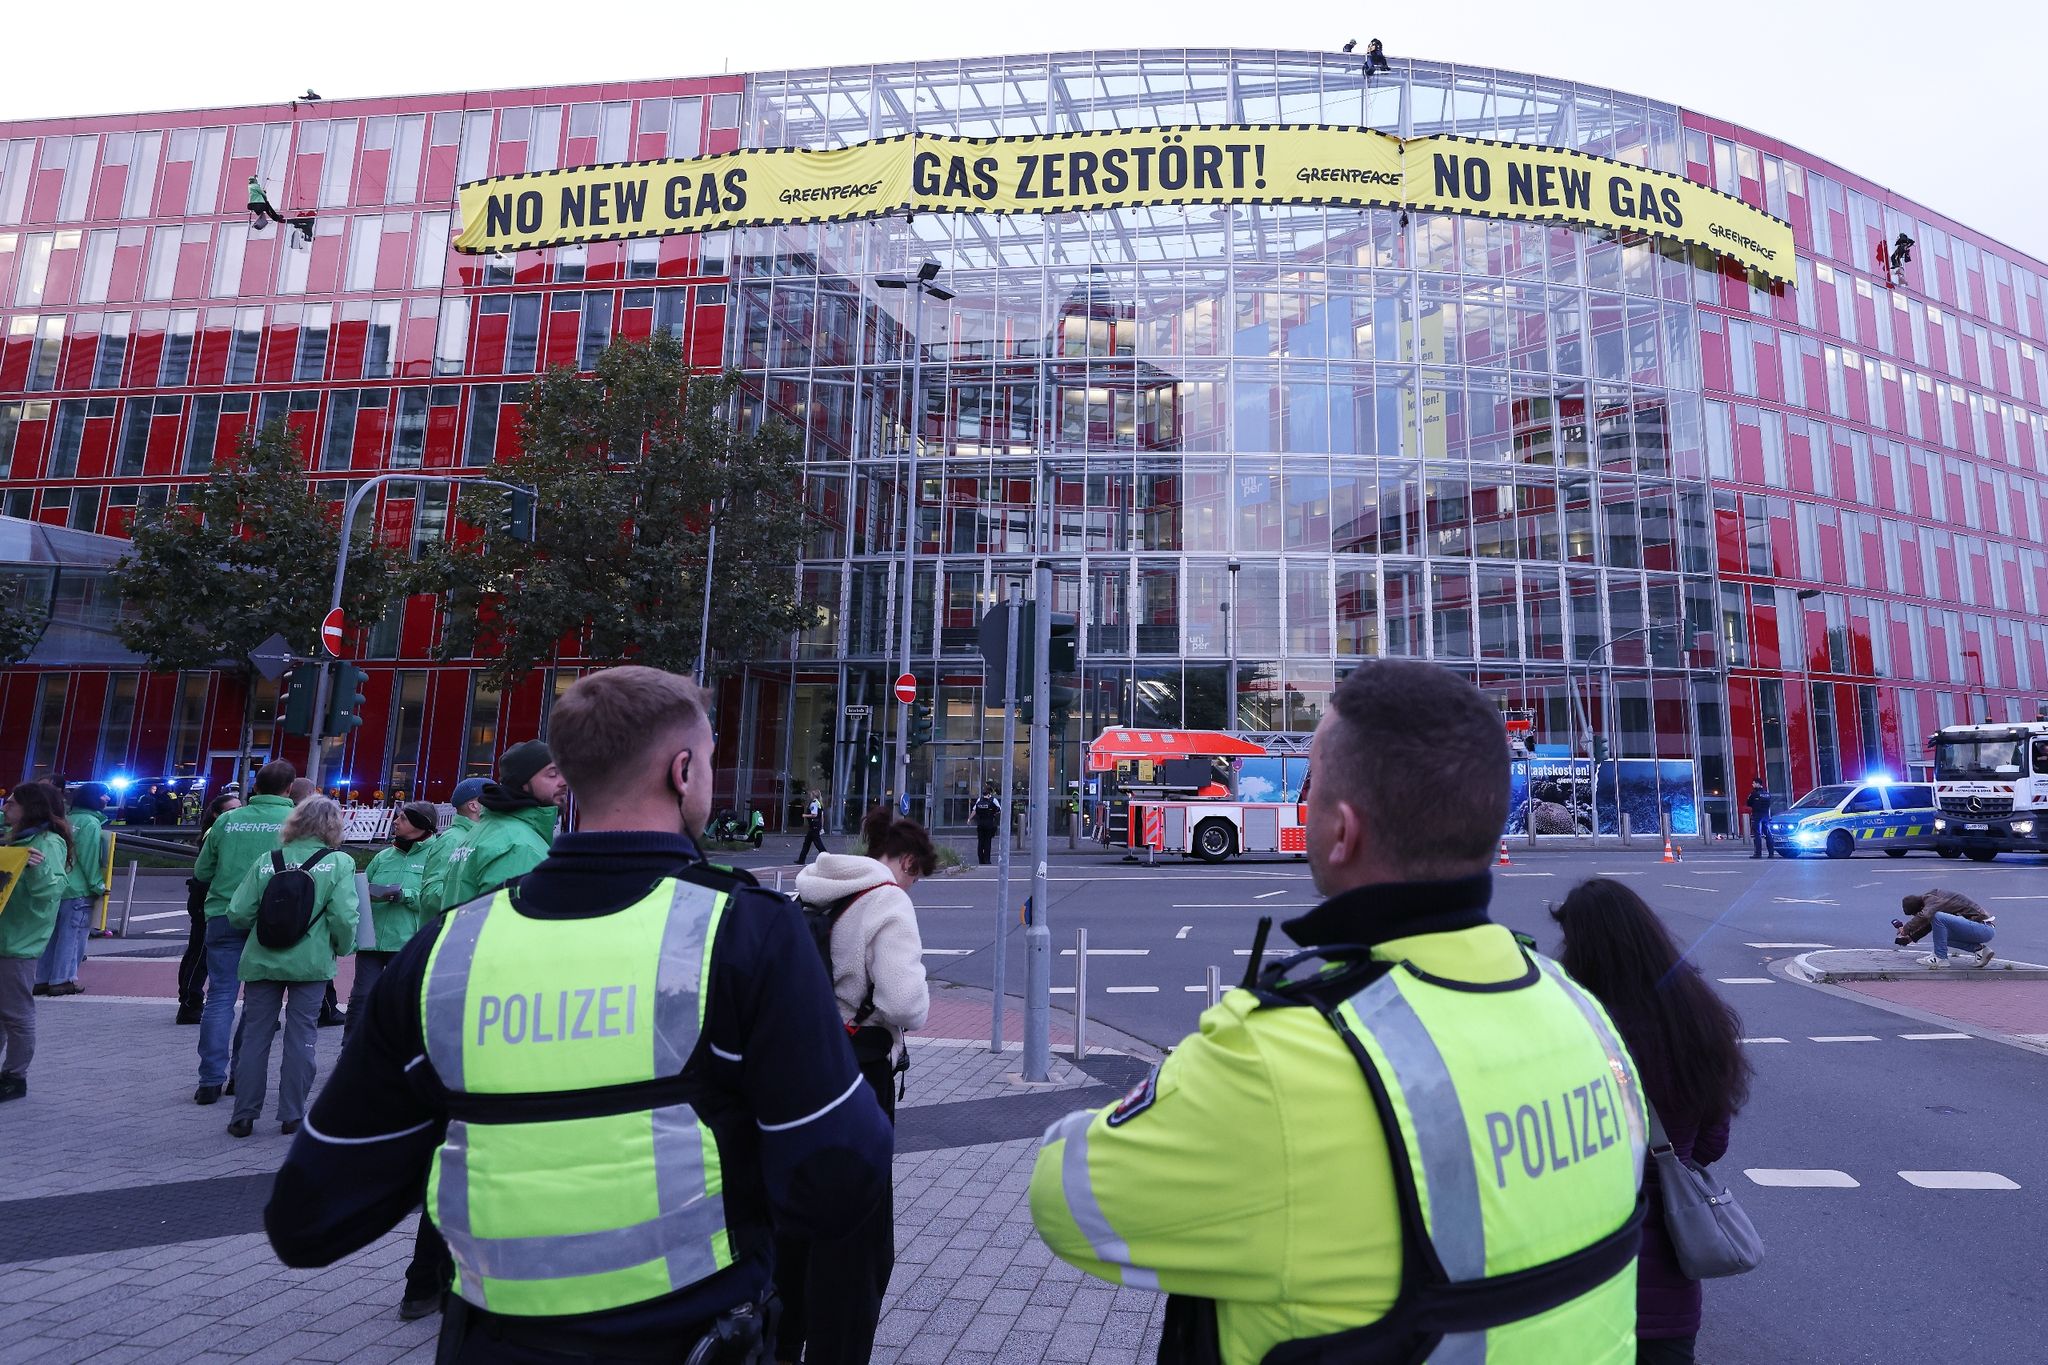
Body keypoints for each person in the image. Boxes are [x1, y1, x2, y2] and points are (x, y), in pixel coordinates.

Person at [264, 664, 893, 1360]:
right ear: (683, 771)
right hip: (690, 1337)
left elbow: (309, 1217)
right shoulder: (745, 932)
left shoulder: (447, 951)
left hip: (493, 1345)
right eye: (710, 760)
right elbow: (840, 1177)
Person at [1029, 659, 1647, 1363]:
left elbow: (1063, 1196)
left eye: (1314, 784)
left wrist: (1198, 1075)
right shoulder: (1584, 1015)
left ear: (1342, 831)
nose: (1304, 799)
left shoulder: (1278, 1056)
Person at [1553, 879, 1752, 1365]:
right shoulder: (1694, 1019)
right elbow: (1711, 1145)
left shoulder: (1569, 1023)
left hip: (1581, 1268)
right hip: (1667, 1273)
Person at [777, 805, 933, 1364]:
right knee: (857, 1227)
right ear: (906, 862)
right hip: (859, 1069)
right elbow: (905, 1004)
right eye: (916, 876)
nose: (911, 886)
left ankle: (781, 1337)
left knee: (797, 1209)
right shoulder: (887, 899)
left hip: (800, 1064)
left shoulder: (813, 891)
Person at [223, 796, 359, 1139]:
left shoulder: (268, 860)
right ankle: (292, 1115)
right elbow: (344, 917)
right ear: (333, 826)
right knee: (302, 1036)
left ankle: (243, 1115)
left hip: (262, 958)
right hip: (310, 962)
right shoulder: (338, 862)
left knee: (255, 1036)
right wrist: (343, 947)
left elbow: (238, 912)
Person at [191, 761, 298, 1105]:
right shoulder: (296, 821)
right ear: (288, 789)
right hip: (272, 918)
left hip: (224, 914)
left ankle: (209, 1079)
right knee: (258, 1001)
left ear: (255, 787)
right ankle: (242, 1074)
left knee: (220, 996)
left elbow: (202, 870)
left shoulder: (227, 820)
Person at [1, 783, 73, 1101]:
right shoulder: (14, 838)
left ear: (30, 807)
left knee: (16, 1013)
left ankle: (15, 1076)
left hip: (19, 941)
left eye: (12, 803)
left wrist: (37, 868)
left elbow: (52, 891)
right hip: (8, 935)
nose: (5, 807)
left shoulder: (47, 843)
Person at [345, 802, 437, 1046]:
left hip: (408, 943)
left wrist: (405, 895)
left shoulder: (436, 856)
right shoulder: (383, 856)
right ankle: (351, 1049)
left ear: (421, 824)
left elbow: (435, 897)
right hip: (372, 941)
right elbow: (360, 892)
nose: (395, 821)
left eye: (403, 818)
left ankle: (397, 1052)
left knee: (402, 1001)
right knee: (361, 997)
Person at [435, 739, 564, 910]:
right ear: (522, 782)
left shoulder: (481, 832)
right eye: (553, 774)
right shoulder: (519, 846)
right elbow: (513, 920)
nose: (564, 782)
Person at [35, 783, 108, 997]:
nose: (107, 799)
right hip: (79, 889)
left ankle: (42, 978)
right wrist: (97, 885)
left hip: (59, 885)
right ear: (94, 798)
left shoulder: (65, 819)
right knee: (73, 936)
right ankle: (63, 980)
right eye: (104, 795)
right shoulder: (90, 823)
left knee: (53, 936)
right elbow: (89, 856)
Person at [179, 792, 243, 1024]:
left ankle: (191, 1001)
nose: (237, 813)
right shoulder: (215, 832)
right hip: (205, 898)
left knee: (201, 952)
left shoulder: (229, 830)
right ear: (216, 814)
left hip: (210, 897)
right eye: (231, 810)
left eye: (240, 808)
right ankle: (189, 1003)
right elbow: (205, 870)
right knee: (199, 954)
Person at [418, 777, 487, 919]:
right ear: (474, 806)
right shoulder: (452, 840)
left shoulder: (474, 836)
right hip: (450, 926)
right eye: (491, 799)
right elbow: (431, 893)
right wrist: (480, 898)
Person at [1895, 890, 1996, 968]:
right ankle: (1981, 951)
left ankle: (1940, 958)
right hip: (1982, 928)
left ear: (1920, 908)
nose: (1916, 916)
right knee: (1942, 936)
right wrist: (1911, 937)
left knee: (1937, 916)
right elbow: (1930, 923)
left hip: (1983, 928)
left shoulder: (1932, 901)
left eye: (1915, 914)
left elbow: (1925, 916)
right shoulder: (1932, 899)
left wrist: (1905, 929)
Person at [971, 784, 1002, 865]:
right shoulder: (993, 800)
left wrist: (969, 818)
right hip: (989, 823)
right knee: (987, 842)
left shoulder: (979, 800)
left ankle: (980, 859)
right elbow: (998, 810)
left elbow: (975, 810)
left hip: (980, 823)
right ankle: (987, 860)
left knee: (980, 842)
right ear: (990, 793)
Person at [797, 787, 828, 863]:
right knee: (807, 843)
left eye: (811, 794)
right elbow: (822, 816)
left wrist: (805, 815)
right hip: (816, 825)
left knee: (818, 844)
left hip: (814, 826)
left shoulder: (814, 803)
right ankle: (801, 860)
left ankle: (827, 858)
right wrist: (821, 826)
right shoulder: (819, 803)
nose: (810, 795)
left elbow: (814, 815)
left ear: (814, 795)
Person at [1745, 779, 1775, 859]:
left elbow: (1748, 803)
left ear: (1758, 784)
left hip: (1757, 815)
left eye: (1754, 783)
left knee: (1757, 834)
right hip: (1766, 815)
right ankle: (1771, 853)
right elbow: (1769, 803)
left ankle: (1758, 853)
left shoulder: (1754, 793)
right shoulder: (1767, 794)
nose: (1752, 785)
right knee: (1768, 834)